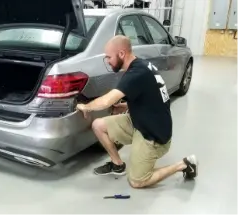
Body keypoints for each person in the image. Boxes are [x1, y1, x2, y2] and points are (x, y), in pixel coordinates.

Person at [76, 35, 198, 188]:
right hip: (139, 121)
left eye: (108, 57)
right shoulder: (141, 65)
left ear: (121, 54)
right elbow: (153, 97)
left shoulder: (137, 73)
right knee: (98, 125)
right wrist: (127, 106)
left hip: (154, 135)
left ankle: (183, 165)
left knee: (137, 181)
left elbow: (107, 100)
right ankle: (118, 165)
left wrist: (86, 106)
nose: (107, 61)